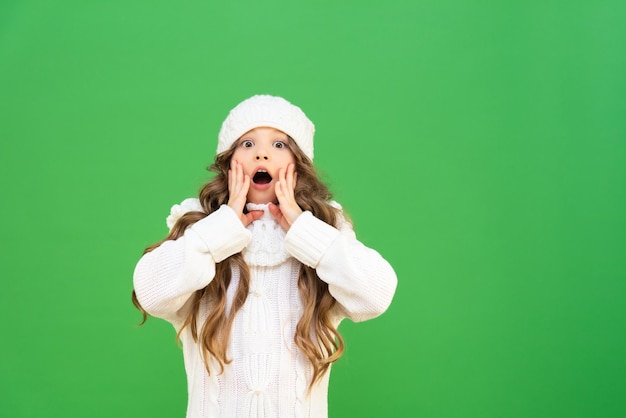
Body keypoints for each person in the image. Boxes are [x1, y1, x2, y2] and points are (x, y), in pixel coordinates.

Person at [132, 94, 397, 418]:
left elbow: (377, 295)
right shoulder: (199, 229)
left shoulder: (323, 233)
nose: (261, 152)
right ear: (228, 162)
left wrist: (304, 229)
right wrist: (222, 228)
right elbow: (150, 292)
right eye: (246, 144)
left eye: (279, 145)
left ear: (299, 165)